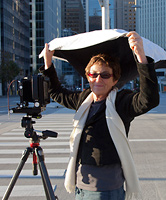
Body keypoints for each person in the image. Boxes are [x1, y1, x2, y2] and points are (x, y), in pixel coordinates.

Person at [41, 31, 159, 200]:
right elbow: (57, 93)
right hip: (80, 185)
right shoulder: (84, 99)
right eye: (93, 74)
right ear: (87, 76)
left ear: (114, 79)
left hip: (106, 188)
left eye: (105, 75)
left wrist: (141, 56)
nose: (98, 80)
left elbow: (149, 99)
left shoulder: (120, 102)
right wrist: (48, 63)